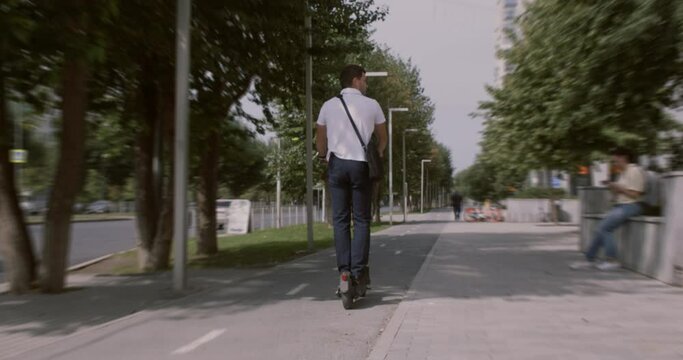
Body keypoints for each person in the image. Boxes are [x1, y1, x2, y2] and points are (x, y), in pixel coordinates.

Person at [315, 64, 388, 290]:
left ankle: (344, 272)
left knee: (340, 220)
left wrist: (323, 156)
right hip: (360, 165)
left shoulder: (328, 105)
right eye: (365, 80)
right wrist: (378, 153)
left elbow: (320, 139)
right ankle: (358, 272)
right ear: (356, 80)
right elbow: (383, 137)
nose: (366, 84)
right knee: (362, 219)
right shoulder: (372, 105)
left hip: (336, 164)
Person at [570, 147, 645, 271]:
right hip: (621, 205)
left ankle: (612, 260)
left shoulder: (634, 171)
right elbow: (622, 193)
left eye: (615, 161)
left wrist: (619, 188)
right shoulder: (623, 173)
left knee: (604, 229)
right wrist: (614, 188)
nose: (614, 164)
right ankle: (590, 259)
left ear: (623, 158)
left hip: (632, 205)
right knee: (600, 229)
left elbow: (635, 195)